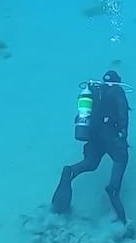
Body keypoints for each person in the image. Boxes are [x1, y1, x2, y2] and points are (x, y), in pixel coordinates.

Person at [51, 70, 130, 224]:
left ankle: (69, 172)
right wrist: (123, 135)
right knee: (121, 159)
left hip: (94, 136)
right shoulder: (118, 91)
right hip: (111, 137)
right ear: (118, 81)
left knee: (90, 164)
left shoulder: (95, 91)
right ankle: (120, 216)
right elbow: (123, 115)